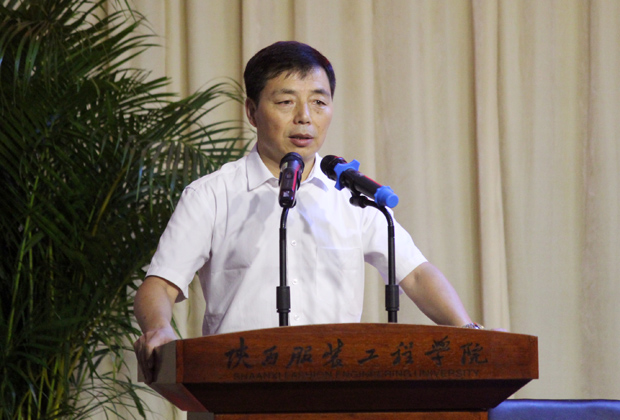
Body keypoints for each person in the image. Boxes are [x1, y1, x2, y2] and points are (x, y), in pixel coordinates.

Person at [133, 41, 480, 384]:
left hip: (337, 388)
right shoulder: (212, 195)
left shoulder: (351, 196)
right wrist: (159, 329)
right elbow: (160, 284)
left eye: (318, 102)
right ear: (252, 112)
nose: (305, 117)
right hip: (239, 388)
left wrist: (468, 330)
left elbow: (416, 274)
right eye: (286, 102)